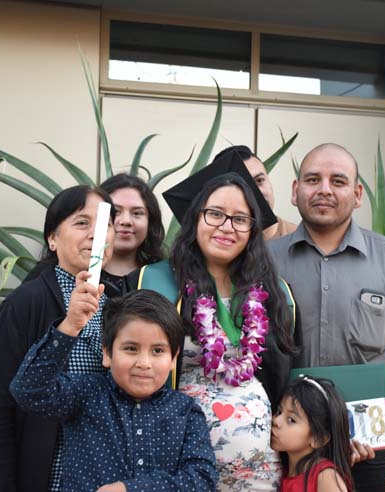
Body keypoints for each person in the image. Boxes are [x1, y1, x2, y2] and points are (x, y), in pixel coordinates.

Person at [267, 143, 385, 492]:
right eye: (313, 179)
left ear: (358, 194)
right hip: (286, 452)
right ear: (295, 190)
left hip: (372, 452)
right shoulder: (265, 262)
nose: (324, 190)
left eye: (338, 181)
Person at [138, 149, 297, 490]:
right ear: (195, 218)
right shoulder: (153, 283)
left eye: (241, 218)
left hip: (259, 472)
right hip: (177, 465)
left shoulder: (275, 292)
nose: (227, 227)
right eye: (215, 214)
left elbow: (287, 374)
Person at [0, 185, 117, 492]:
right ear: (52, 238)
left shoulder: (121, 306)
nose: (95, 233)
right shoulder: (25, 304)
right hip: (42, 475)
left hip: (101, 477)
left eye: (105, 224)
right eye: (81, 223)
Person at [9, 289, 218, 492]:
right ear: (107, 353)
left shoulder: (186, 411)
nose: (144, 363)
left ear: (173, 358)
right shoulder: (85, 394)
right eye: (131, 348)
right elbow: (29, 390)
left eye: (157, 351)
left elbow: (202, 478)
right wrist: (70, 326)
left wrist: (132, 489)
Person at [271, 377, 354, 492]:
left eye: (291, 420)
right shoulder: (282, 471)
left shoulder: (325, 476)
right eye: (279, 411)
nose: (276, 421)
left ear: (318, 439)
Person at [213, 145, 297, 241]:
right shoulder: (214, 246)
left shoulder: (301, 239)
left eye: (259, 180)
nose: (256, 192)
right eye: (242, 185)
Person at [100, 174, 165, 282]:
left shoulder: (164, 279)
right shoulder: (77, 276)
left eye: (137, 213)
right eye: (115, 211)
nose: (126, 221)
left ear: (150, 221)